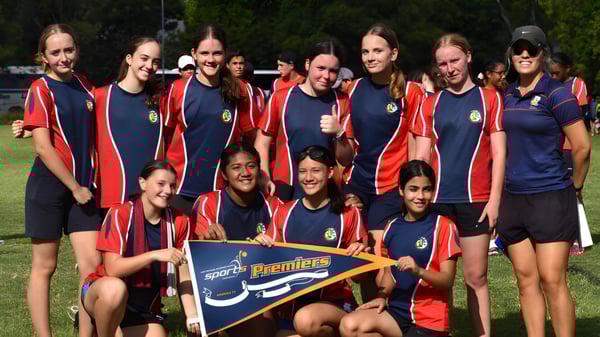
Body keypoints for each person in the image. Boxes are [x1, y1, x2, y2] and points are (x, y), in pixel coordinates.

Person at [499, 25, 590, 337]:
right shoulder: (507, 94)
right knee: (526, 281)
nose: (525, 54)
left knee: (552, 280)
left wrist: (575, 187)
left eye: (532, 49)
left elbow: (582, 147)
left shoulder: (557, 93)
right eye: (518, 49)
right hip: (513, 198)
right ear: (510, 55)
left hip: (551, 196)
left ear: (542, 54)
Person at [413, 33, 505, 337]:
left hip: (475, 201)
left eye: (454, 60)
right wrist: (415, 200)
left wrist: (494, 201)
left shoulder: (489, 98)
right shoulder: (431, 103)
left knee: (476, 277)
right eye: (443, 63)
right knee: (440, 279)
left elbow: (499, 154)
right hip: (437, 202)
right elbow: (422, 157)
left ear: (468, 56)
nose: (450, 68)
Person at [23, 23, 101, 337]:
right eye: (55, 52)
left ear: (77, 50)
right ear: (43, 56)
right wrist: (74, 187)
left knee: (91, 267)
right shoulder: (40, 88)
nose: (63, 57)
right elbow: (43, 146)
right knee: (45, 267)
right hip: (52, 187)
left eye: (68, 50)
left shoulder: (85, 85)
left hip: (84, 189)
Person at [255, 145, 368, 337]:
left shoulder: (348, 213)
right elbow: (269, 267)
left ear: (330, 172)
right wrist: (259, 247)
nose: (308, 177)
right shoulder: (284, 211)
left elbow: (359, 278)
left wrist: (360, 257)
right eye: (302, 171)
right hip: (292, 308)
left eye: (316, 170)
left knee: (305, 321)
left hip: (335, 304)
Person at [339, 160, 461, 337]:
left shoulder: (444, 226)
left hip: (429, 320)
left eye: (426, 189)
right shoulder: (391, 226)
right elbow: (389, 274)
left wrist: (418, 270)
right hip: (396, 314)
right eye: (413, 189)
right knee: (350, 325)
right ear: (401, 190)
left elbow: (447, 281)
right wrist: (382, 295)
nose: (420, 196)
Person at [81, 160, 199, 337]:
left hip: (141, 306)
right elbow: (113, 269)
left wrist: (192, 315)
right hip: (104, 291)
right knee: (115, 289)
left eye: (172, 186)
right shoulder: (120, 213)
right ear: (142, 183)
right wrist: (153, 255)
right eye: (160, 184)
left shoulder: (180, 220)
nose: (167, 191)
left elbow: (184, 273)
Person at [339, 23, 423, 255]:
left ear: (393, 54)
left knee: (379, 256)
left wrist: (410, 188)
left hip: (391, 188)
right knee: (359, 258)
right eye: (365, 52)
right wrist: (337, 135)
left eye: (377, 51)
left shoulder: (411, 92)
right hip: (355, 185)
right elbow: (345, 153)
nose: (370, 57)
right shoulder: (353, 89)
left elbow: (418, 146)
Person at [191, 143, 280, 337]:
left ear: (259, 170)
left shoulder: (273, 204)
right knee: (201, 326)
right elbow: (196, 259)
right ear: (224, 174)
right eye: (236, 167)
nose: (245, 173)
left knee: (263, 331)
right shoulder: (209, 203)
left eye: (251, 166)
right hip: (217, 286)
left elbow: (283, 250)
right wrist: (208, 238)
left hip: (257, 286)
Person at [165, 24, 254, 214]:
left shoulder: (241, 90)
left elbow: (251, 140)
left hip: (223, 192)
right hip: (179, 189)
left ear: (225, 54)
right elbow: (165, 138)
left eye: (217, 53)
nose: (211, 60)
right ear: (194, 54)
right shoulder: (178, 89)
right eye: (204, 53)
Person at [254, 40, 352, 200]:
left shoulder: (342, 102)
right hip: (285, 189)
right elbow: (262, 143)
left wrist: (339, 133)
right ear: (307, 64)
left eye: (333, 71)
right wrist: (264, 176)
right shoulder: (281, 98)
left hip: (325, 193)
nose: (326, 76)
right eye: (320, 68)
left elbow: (346, 159)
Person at [96, 37, 164, 209]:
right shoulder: (101, 96)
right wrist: (34, 128)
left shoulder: (159, 101)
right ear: (129, 59)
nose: (149, 66)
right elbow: (74, 124)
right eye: (144, 58)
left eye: (155, 61)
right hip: (112, 197)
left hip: (151, 199)